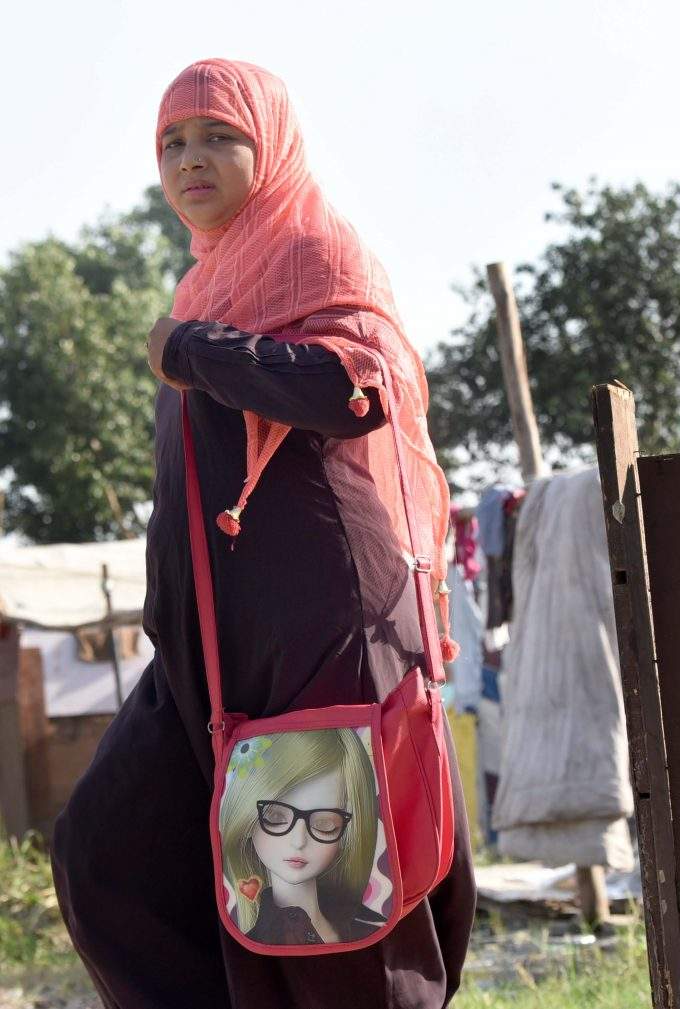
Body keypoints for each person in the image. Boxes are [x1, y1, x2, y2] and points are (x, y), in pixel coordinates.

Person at [50, 59, 475, 1009]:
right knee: (103, 853)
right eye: (171, 142)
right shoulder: (205, 285)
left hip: (317, 628)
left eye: (217, 135)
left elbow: (351, 390)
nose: (189, 159)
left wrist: (193, 352)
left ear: (270, 146)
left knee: (320, 909)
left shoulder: (316, 254)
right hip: (208, 650)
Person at [220, 729, 385, 947]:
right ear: (247, 818)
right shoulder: (246, 942)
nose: (299, 841)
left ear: (348, 829)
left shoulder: (373, 932)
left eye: (324, 823)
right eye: (276, 817)